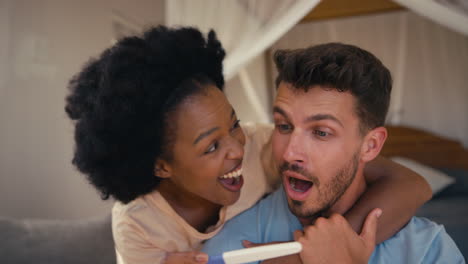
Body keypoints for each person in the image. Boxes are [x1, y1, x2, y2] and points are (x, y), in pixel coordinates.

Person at [65, 26, 431, 264]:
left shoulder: (263, 146)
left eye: (234, 124)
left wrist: (321, 250)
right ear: (161, 166)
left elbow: (412, 183)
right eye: (210, 146)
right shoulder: (139, 226)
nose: (237, 149)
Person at [202, 43, 465, 263]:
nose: (290, 152)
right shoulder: (235, 245)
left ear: (370, 146)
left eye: (321, 132)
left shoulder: (429, 252)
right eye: (283, 126)